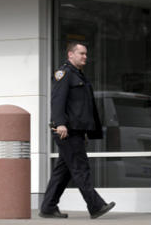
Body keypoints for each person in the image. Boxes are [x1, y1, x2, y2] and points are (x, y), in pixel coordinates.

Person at [39, 42, 115, 219]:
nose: (85, 57)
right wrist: (60, 123)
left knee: (63, 172)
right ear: (70, 54)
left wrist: (85, 131)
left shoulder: (78, 75)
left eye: (86, 54)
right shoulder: (64, 74)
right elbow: (57, 100)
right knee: (81, 168)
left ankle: (48, 207)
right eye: (81, 53)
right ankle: (96, 205)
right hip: (67, 130)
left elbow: (81, 108)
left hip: (76, 131)